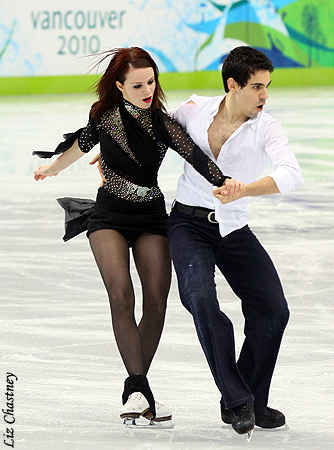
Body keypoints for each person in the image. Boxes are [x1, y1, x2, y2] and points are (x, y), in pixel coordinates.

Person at [33, 47, 239, 426]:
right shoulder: (104, 117)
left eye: (151, 82)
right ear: (119, 86)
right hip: (108, 216)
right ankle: (137, 387)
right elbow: (79, 146)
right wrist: (52, 167)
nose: (147, 90)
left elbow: (194, 154)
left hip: (149, 217)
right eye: (137, 84)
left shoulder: (162, 123)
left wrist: (222, 181)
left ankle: (138, 388)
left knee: (157, 301)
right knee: (121, 296)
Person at [166, 46, 303, 436]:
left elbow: (291, 174)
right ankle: (238, 400)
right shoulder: (194, 109)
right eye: (257, 86)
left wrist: (245, 191)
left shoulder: (267, 127)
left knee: (273, 310)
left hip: (233, 227)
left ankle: (250, 398)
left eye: (267, 86)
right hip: (188, 224)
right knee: (201, 300)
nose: (265, 95)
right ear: (233, 84)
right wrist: (113, 158)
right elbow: (152, 128)